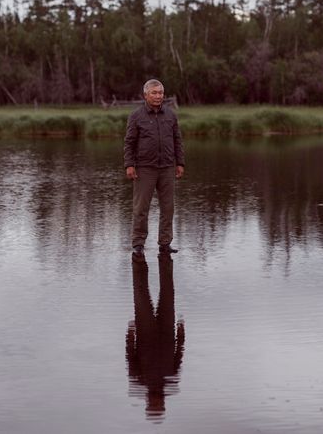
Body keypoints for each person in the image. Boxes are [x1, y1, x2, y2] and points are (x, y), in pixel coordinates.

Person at [123, 79, 185, 256]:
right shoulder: (136, 116)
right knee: (141, 208)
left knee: (168, 208)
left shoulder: (171, 115)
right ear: (146, 95)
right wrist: (129, 165)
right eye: (154, 93)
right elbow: (129, 142)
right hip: (144, 168)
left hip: (167, 168)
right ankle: (138, 244)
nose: (158, 96)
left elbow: (177, 140)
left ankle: (165, 243)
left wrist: (180, 163)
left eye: (160, 93)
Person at [126, 254, 185, 421]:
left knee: (142, 292)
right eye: (158, 405)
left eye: (155, 405)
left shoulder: (138, 379)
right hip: (161, 331)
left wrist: (130, 334)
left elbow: (130, 355)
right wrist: (180, 333)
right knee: (162, 291)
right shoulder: (171, 379)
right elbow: (179, 353)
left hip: (148, 332)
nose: (157, 402)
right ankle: (158, 257)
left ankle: (151, 258)